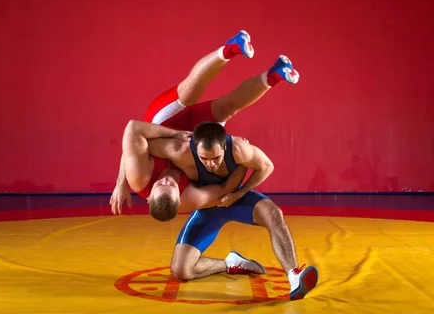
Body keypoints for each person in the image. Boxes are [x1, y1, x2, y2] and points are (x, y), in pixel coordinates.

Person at [110, 30, 300, 217]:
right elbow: (225, 190)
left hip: (160, 125)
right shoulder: (191, 198)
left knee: (188, 93)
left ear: (149, 197)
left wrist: (121, 183)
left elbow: (134, 131)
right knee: (227, 108)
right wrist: (241, 163)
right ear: (179, 199)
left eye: (160, 185)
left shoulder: (140, 179)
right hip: (192, 140)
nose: (166, 180)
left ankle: (230, 49)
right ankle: (275, 75)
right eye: (171, 186)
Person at [125, 120, 319, 300]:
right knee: (181, 270)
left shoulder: (238, 149)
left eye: (216, 158)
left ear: (225, 147)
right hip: (209, 206)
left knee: (274, 214)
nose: (210, 164)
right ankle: (230, 263)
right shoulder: (180, 152)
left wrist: (240, 193)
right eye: (203, 159)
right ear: (194, 149)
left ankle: (294, 275)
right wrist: (122, 181)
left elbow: (266, 166)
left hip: (236, 198)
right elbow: (134, 147)